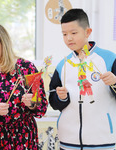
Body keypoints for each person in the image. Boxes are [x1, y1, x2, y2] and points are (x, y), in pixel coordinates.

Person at [49, 8, 116, 150]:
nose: (69, 38)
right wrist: (60, 98)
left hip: (102, 141)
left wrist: (115, 82)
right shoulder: (63, 65)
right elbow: (54, 102)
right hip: (68, 141)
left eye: (74, 33)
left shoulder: (109, 59)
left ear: (87, 32)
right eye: (64, 34)